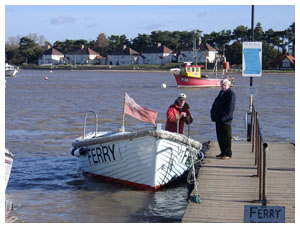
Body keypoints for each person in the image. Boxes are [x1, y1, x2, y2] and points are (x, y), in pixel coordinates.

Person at [210, 79, 236, 160]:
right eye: (222, 85)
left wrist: (224, 118)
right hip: (218, 119)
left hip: (226, 120)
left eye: (225, 85)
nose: (223, 86)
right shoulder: (221, 93)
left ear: (228, 85)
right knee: (220, 137)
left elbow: (230, 108)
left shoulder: (231, 94)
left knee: (226, 137)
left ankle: (228, 154)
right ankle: (223, 152)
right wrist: (213, 114)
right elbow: (215, 104)